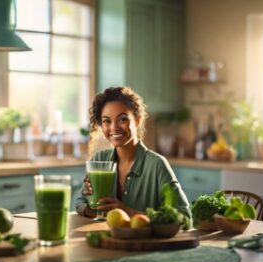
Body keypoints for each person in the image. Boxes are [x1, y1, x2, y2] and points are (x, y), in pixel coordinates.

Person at [75, 86, 191, 219]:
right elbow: (80, 202)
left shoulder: (156, 165)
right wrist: (93, 204)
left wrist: (129, 212)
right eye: (107, 121)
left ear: (137, 120)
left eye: (122, 119)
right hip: (108, 238)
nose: (114, 128)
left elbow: (184, 217)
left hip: (143, 240)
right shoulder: (99, 160)